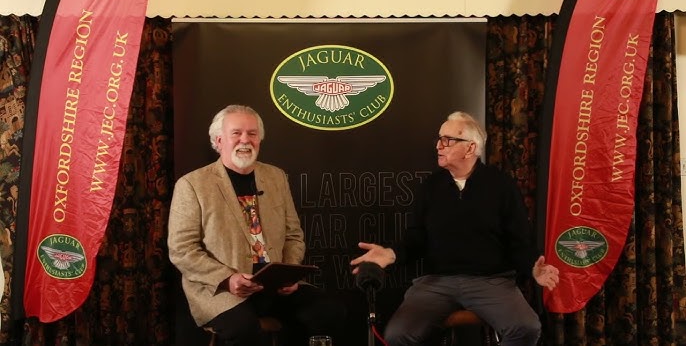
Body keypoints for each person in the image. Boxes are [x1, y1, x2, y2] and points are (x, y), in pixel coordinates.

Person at [350, 111, 559, 346]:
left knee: (526, 328)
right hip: (436, 283)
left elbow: (519, 242)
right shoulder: (430, 187)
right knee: (398, 335)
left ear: (470, 148)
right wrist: (391, 254)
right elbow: (415, 239)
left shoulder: (501, 186)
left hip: (490, 282)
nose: (439, 146)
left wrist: (533, 268)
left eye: (447, 140)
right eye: (439, 139)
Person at [168, 104, 345, 346]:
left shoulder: (276, 177)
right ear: (218, 140)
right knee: (245, 330)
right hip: (222, 290)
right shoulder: (192, 185)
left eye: (252, 134)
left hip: (274, 287)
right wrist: (227, 278)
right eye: (236, 133)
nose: (245, 140)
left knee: (328, 312)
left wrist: (289, 273)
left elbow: (294, 235)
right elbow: (182, 249)